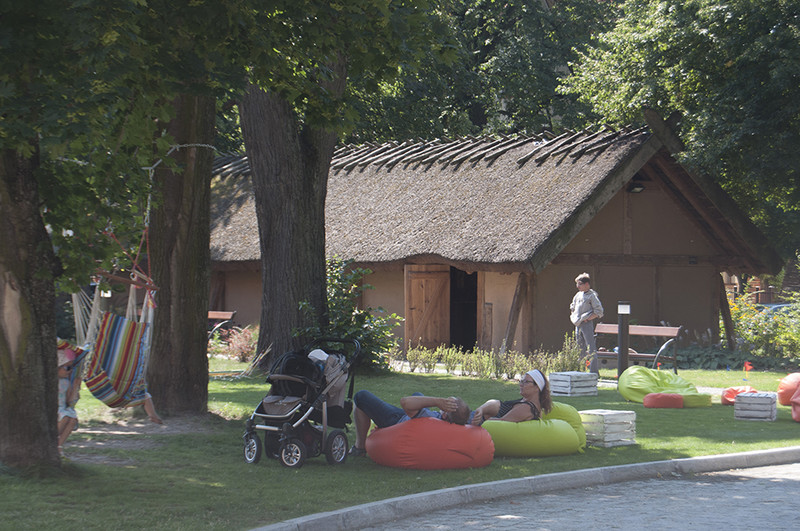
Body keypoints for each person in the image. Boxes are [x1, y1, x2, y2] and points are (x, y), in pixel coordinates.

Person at [349, 391, 471, 456]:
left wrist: (437, 401)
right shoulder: (461, 420)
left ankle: (359, 448)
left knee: (361, 397)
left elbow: (405, 402)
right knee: (418, 394)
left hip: (396, 422)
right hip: (411, 416)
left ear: (445, 414)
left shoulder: (428, 418)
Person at [470, 369, 552, 425]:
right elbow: (497, 405)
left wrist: (481, 417)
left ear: (537, 387)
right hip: (479, 416)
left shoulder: (527, 408)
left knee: (458, 407)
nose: (521, 384)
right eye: (521, 381)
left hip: (478, 422)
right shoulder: (526, 402)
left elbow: (500, 423)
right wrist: (481, 409)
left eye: (526, 382)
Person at [570, 272, 604, 374]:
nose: (578, 286)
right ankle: (580, 370)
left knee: (590, 347)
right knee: (579, 347)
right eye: (577, 284)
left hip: (586, 324)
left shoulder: (592, 296)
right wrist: (573, 315)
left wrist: (588, 319)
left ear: (587, 284)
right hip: (578, 324)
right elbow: (572, 306)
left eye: (580, 284)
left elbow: (599, 311)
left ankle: (594, 371)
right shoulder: (578, 295)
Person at [57, 347, 81, 456]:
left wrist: (75, 386)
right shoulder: (51, 381)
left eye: (71, 368)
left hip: (62, 408)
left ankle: (59, 445)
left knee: (72, 419)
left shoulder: (66, 382)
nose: (70, 371)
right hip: (54, 409)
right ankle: (52, 440)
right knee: (66, 417)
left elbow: (69, 401)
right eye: (67, 368)